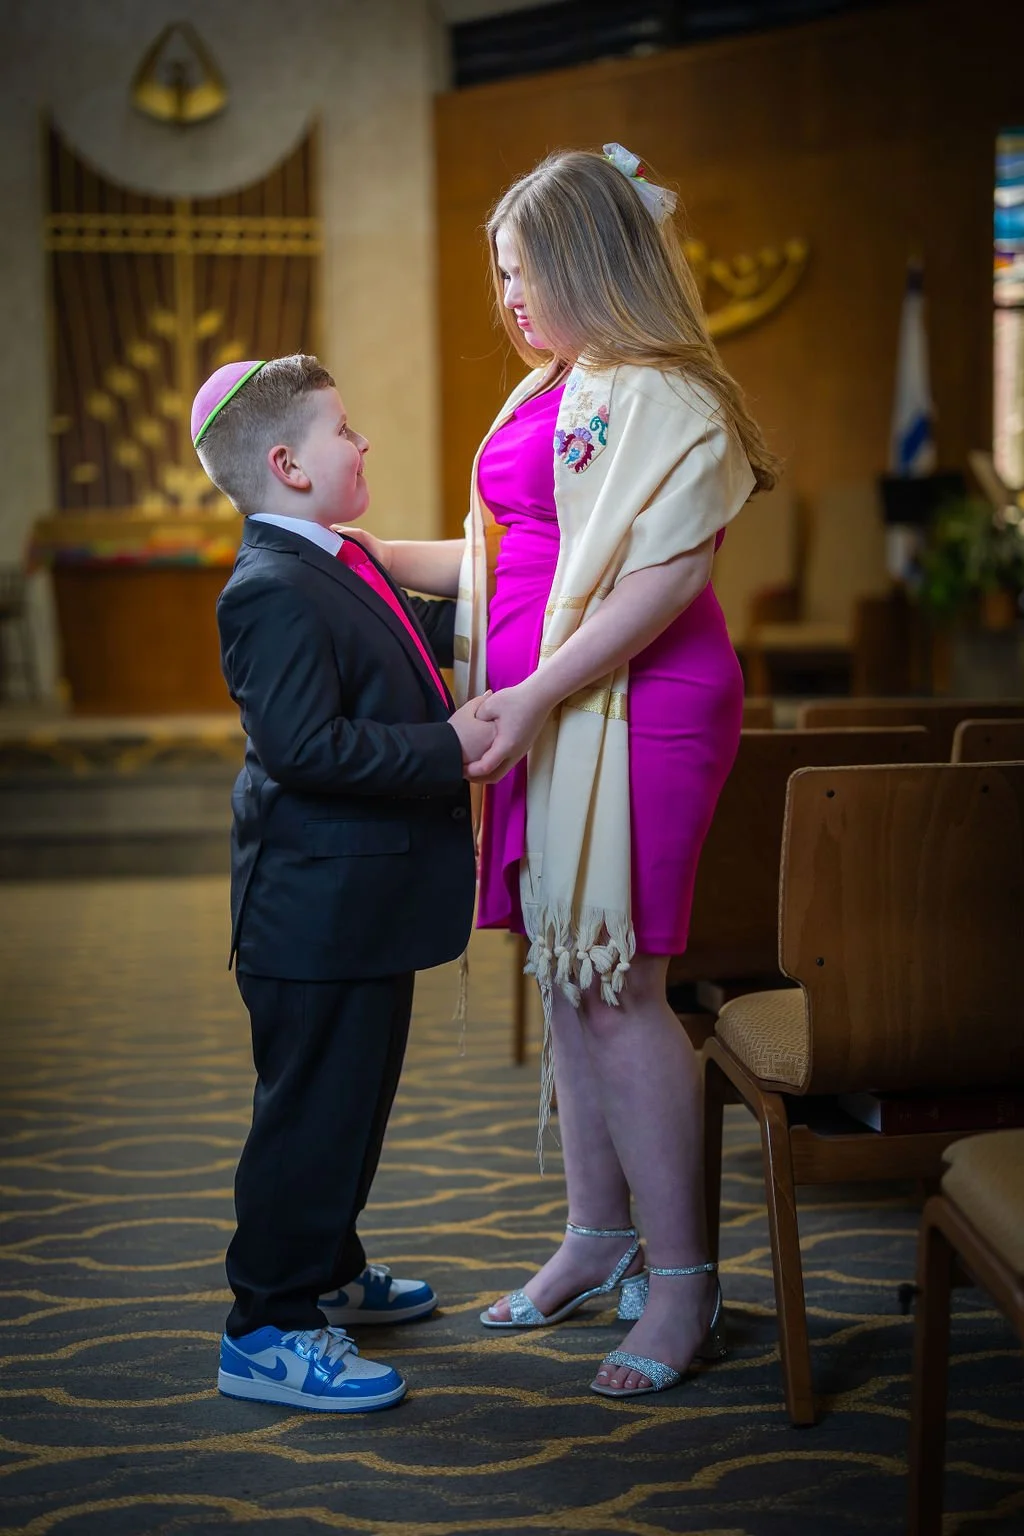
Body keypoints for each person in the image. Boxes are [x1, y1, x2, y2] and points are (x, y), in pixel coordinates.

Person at [342, 145, 778, 1400]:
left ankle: (685, 1281)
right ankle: (595, 1237)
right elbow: (505, 557)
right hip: (553, 707)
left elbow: (663, 579)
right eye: (496, 274)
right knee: (567, 973)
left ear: (588, 259)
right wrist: (354, 548)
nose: (508, 297)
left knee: (617, 983)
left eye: (521, 269)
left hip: (634, 699)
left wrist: (530, 695)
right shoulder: (557, 382)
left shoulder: (667, 391)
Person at [194, 353, 494, 1413]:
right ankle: (265, 1324)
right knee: (310, 1113)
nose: (362, 444)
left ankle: (326, 1265)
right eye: (344, 430)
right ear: (286, 463)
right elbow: (306, 745)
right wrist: (450, 746)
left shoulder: (334, 555)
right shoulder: (270, 586)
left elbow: (405, 657)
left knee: (353, 1102)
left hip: (360, 897)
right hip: (312, 908)